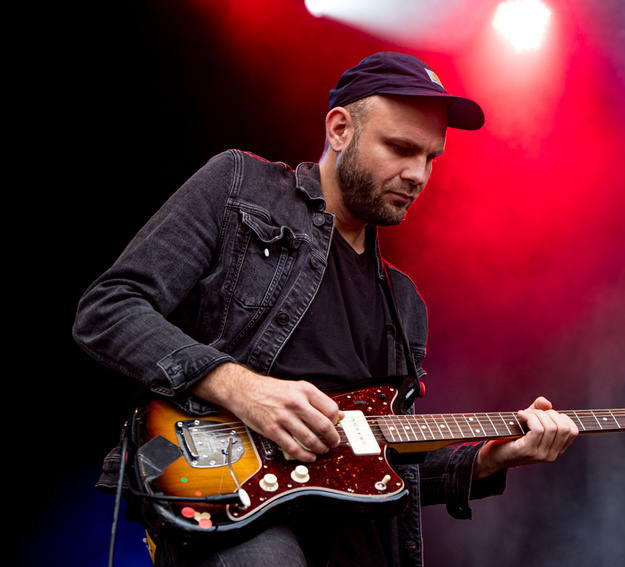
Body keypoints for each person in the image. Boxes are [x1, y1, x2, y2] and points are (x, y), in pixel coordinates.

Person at [73, 51, 578, 567]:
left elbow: (378, 464)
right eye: (401, 148)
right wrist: (241, 388)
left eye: (431, 158)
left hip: (358, 543)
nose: (418, 174)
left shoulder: (403, 303)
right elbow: (109, 309)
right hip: (227, 502)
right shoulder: (240, 187)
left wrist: (491, 459)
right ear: (340, 129)